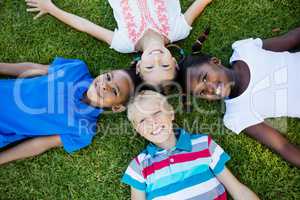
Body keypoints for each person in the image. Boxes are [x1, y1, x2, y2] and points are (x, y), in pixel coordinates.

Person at [178, 27, 300, 167]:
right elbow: (282, 146)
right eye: (201, 92)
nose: (210, 89)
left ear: (215, 61)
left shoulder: (245, 51)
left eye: (205, 78)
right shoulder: (237, 115)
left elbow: (290, 39)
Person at [25, 0, 213, 86]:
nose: (156, 58)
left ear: (139, 66)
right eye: (164, 65)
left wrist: (51, 8)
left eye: (150, 66)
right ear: (174, 62)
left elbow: (86, 26)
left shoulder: (125, 43)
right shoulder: (178, 30)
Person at [0, 57, 141, 165]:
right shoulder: (77, 69)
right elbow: (36, 69)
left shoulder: (83, 130)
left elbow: (40, 144)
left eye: (114, 91)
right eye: (108, 77)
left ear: (116, 108)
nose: (104, 85)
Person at [124, 90, 260, 200]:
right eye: (142, 120)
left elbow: (237, 189)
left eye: (157, 112)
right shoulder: (139, 166)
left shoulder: (203, 145)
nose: (152, 122)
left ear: (171, 113)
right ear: (138, 130)